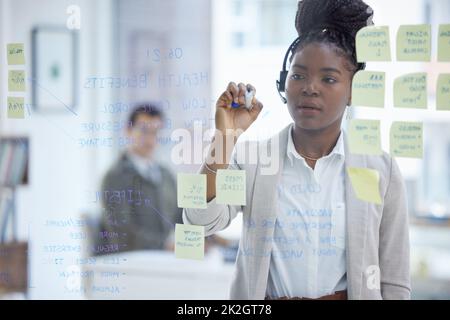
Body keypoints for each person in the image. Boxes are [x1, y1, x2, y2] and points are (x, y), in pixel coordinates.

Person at [183, 0, 410, 300]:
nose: (309, 88)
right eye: (299, 75)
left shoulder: (382, 169)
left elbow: (394, 282)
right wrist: (224, 139)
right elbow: (197, 219)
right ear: (283, 83)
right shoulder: (251, 161)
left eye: (328, 78)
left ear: (354, 90)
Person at [95, 103, 182, 254]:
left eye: (155, 132)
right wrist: (166, 246)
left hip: (159, 260)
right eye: (144, 131)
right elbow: (123, 234)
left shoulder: (166, 175)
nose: (150, 139)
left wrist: (207, 236)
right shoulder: (115, 177)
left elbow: (181, 217)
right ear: (128, 131)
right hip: (126, 265)